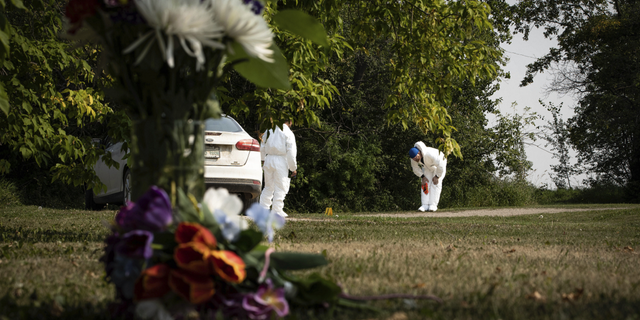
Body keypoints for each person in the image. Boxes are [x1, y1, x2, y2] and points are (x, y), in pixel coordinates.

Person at [259, 120, 297, 217]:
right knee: (281, 186)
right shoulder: (288, 132)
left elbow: (262, 146)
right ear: (290, 122)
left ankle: (263, 209)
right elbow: (291, 152)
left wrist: (263, 159)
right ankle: (277, 210)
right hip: (281, 160)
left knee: (268, 186)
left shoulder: (269, 130)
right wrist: (293, 168)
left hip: (268, 159)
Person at [409, 141, 447, 212]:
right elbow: (415, 168)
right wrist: (422, 176)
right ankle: (425, 205)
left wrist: (437, 176)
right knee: (425, 184)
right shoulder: (413, 157)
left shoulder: (430, 154)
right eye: (413, 159)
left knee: (435, 184)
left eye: (415, 158)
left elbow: (441, 164)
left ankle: (433, 205)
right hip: (427, 168)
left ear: (419, 153)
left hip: (438, 167)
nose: (415, 160)